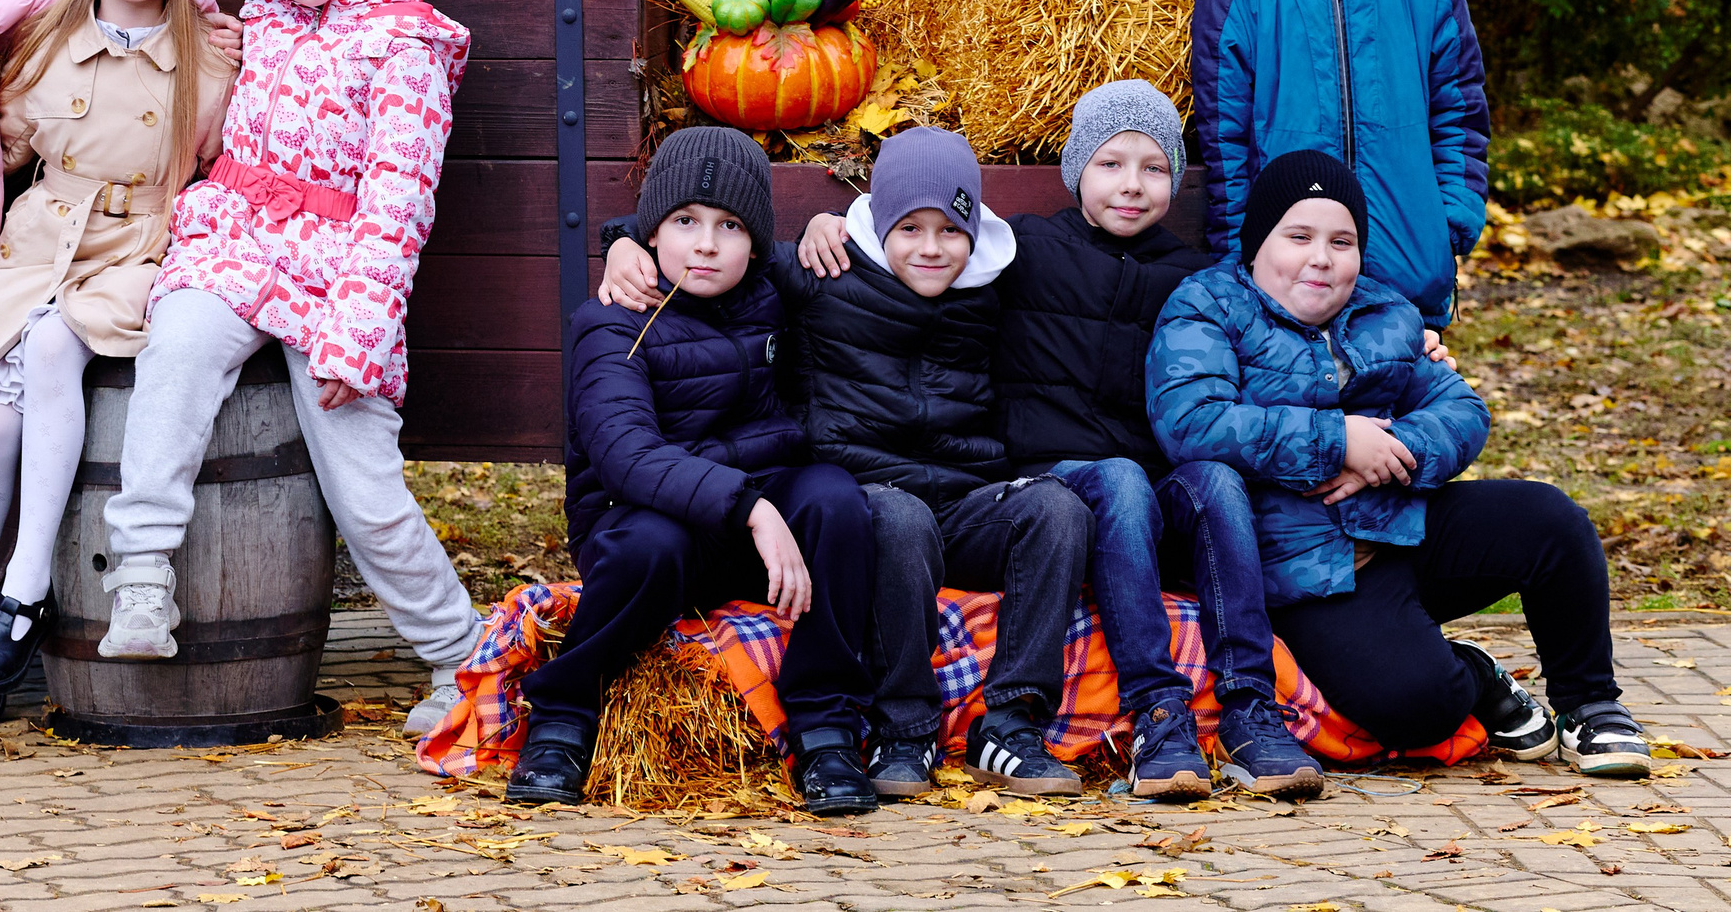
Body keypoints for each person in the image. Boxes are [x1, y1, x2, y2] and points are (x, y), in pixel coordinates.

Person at [94, 0, 483, 736]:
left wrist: (357, 332)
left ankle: (462, 658)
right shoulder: (257, 25)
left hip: (336, 275)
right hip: (234, 240)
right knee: (176, 357)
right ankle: (142, 577)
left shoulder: (406, 46)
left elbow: (397, 203)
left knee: (365, 487)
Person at [604, 127, 1089, 799]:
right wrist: (623, 239)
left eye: (951, 230)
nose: (930, 247)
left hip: (964, 497)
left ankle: (1010, 726)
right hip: (871, 503)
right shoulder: (822, 268)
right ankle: (904, 728)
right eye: (910, 227)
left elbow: (1091, 275)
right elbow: (715, 236)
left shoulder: (994, 283)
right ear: (880, 222)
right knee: (898, 514)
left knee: (1057, 506)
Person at [1149, 150, 1652, 777]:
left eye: (1343, 241)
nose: (1321, 258)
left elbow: (1462, 410)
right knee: (1418, 706)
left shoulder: (1385, 312)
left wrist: (1388, 453)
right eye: (1298, 236)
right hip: (1308, 571)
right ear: (1257, 244)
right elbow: (1191, 422)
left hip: (1403, 524)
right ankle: (1471, 673)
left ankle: (1591, 706)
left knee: (1552, 520)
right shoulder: (1207, 306)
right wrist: (1336, 440)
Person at [0, 0, 236, 722]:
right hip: (41, 241)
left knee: (55, 344)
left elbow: (224, 171)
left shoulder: (211, 62)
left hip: (140, 244)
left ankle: (26, 588)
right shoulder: (47, 43)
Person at [509, 128, 879, 815]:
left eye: (729, 227)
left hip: (753, 527)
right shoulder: (615, 319)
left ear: (757, 244)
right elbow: (625, 454)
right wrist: (751, 507)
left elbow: (852, 250)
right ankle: (562, 717)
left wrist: (835, 220)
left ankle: (825, 728)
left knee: (835, 498)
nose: (706, 244)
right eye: (684, 222)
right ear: (653, 232)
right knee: (653, 538)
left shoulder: (770, 288)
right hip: (650, 528)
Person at [996, 82, 1323, 799]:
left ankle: (1249, 710)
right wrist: (839, 229)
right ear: (1078, 167)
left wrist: (1414, 345)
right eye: (1112, 164)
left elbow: (1292, 336)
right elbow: (918, 245)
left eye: (1154, 167)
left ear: (1175, 179)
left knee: (1216, 479)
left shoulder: (1198, 280)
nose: (1133, 185)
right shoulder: (1022, 247)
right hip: (1055, 481)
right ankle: (1158, 711)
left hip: (1150, 490)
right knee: (1116, 476)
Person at [1191, 0, 1490, 344]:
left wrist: (1448, 225)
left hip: (1408, 266)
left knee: (1409, 426)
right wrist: (1240, 256)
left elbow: (1460, 118)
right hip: (1288, 278)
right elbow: (1224, 143)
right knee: (1309, 426)